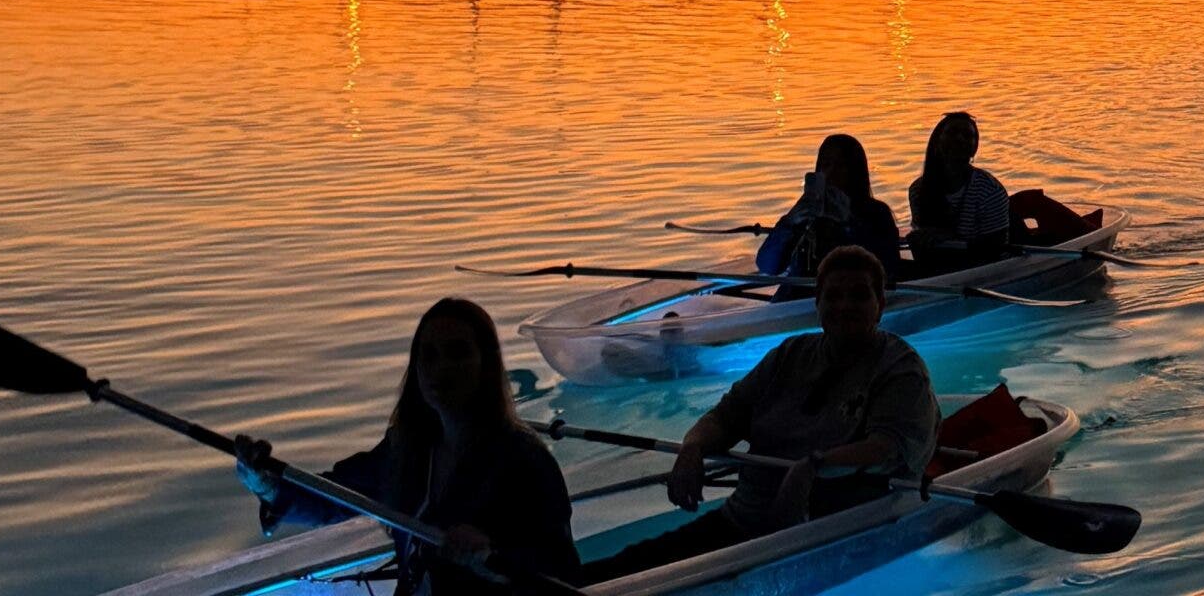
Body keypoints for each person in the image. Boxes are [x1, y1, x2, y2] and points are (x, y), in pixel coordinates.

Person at [580, 245, 939, 581]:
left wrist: (812, 466)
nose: (845, 305)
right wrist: (693, 448)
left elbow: (887, 446)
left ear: (880, 304)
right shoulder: (789, 355)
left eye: (859, 295)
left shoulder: (899, 368)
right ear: (817, 303)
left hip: (826, 534)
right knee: (614, 571)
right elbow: (725, 416)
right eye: (833, 295)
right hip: (743, 519)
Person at [232, 299, 577, 596]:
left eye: (457, 353)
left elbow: (558, 571)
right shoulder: (407, 449)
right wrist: (269, 487)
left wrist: (494, 558)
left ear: (486, 365)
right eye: (428, 355)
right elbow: (334, 496)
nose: (441, 368)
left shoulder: (525, 462)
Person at [755, 134, 904, 283]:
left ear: (855, 171)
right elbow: (768, 266)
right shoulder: (807, 214)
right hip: (800, 298)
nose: (831, 173)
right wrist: (789, 222)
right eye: (825, 165)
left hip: (849, 297)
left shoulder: (877, 213)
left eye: (840, 166)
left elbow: (888, 268)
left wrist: (850, 224)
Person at [906, 110, 1011, 275]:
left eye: (967, 135)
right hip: (938, 270)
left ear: (974, 148)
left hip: (984, 271)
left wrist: (948, 238)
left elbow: (996, 248)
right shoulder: (918, 191)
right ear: (937, 142)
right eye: (952, 133)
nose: (960, 139)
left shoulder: (989, 190)